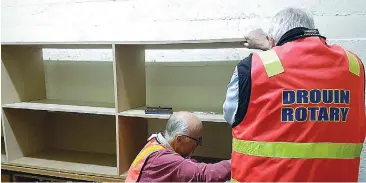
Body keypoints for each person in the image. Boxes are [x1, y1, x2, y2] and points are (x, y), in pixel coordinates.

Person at [223, 7, 365, 182]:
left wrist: (271, 48)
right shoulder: (354, 66)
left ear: (271, 40)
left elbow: (230, 116)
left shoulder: (252, 68)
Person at [125, 111, 231, 182]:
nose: (199, 145)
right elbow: (202, 175)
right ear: (179, 139)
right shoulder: (163, 159)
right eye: (197, 140)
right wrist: (235, 162)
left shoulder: (156, 142)